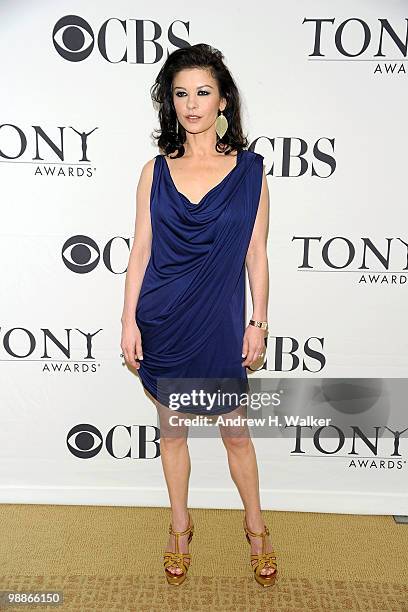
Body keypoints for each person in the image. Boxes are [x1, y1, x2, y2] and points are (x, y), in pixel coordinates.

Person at [120, 43, 277, 588]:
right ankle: (180, 530)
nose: (191, 105)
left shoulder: (251, 171)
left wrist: (257, 322)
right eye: (181, 94)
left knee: (236, 435)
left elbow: (256, 253)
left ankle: (256, 530)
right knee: (173, 432)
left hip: (221, 320)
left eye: (203, 93)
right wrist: (128, 321)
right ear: (171, 103)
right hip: (162, 316)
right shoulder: (154, 171)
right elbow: (140, 250)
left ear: (223, 101)